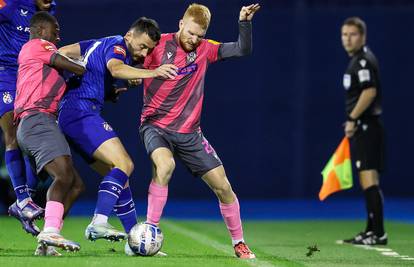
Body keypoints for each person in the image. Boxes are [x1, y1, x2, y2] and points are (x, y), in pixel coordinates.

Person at [139, 3, 260, 259]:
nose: (194, 39)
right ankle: (150, 230)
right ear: (181, 23)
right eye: (190, 32)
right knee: (165, 166)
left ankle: (239, 242)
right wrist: (134, 76)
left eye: (199, 35)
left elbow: (242, 49)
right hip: (155, 125)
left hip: (190, 133)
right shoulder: (157, 43)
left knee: (223, 186)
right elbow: (129, 61)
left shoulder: (206, 49)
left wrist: (244, 23)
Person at [57, 17, 177, 242]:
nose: (143, 54)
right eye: (142, 46)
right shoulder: (118, 44)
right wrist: (153, 72)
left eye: (148, 50)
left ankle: (134, 239)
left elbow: (62, 52)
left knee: (120, 177)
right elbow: (116, 68)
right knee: (125, 164)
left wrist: (102, 88)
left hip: (71, 113)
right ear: (130, 35)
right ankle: (99, 222)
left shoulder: (97, 43)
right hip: (81, 111)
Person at [15, 11, 86, 253]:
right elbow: (73, 67)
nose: (58, 34)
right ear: (42, 30)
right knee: (63, 176)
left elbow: (65, 78)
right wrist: (85, 64)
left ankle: (47, 237)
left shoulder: (41, 63)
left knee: (75, 184)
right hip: (37, 120)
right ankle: (50, 232)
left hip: (38, 123)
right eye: (55, 29)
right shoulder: (36, 45)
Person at [0, 0, 57, 236]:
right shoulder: (10, 4)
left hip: (32, 78)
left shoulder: (49, 9)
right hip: (6, 74)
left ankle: (25, 201)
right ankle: (22, 199)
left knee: (32, 140)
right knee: (12, 134)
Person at [340, 17, 387, 245]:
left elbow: (369, 92)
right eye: (344, 35)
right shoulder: (357, 60)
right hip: (363, 127)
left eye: (353, 34)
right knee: (366, 179)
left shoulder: (363, 62)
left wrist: (352, 118)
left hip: (367, 126)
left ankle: (378, 233)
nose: (348, 39)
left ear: (363, 36)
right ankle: (371, 230)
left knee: (370, 179)